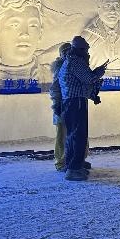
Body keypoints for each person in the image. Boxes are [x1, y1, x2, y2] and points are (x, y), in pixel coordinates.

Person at [58, 35, 107, 181]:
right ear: (81, 50)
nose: (88, 54)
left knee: (73, 135)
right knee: (78, 135)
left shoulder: (69, 61)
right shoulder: (75, 61)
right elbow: (88, 79)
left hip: (70, 102)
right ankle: (74, 169)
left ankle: (73, 164)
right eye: (86, 50)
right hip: (75, 102)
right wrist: (98, 72)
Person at [49, 42, 72, 171]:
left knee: (75, 134)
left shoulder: (73, 65)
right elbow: (55, 89)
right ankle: (60, 162)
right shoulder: (60, 68)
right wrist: (57, 105)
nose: (68, 54)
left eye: (70, 50)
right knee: (61, 135)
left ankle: (75, 159)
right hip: (62, 106)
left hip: (73, 106)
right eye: (65, 52)